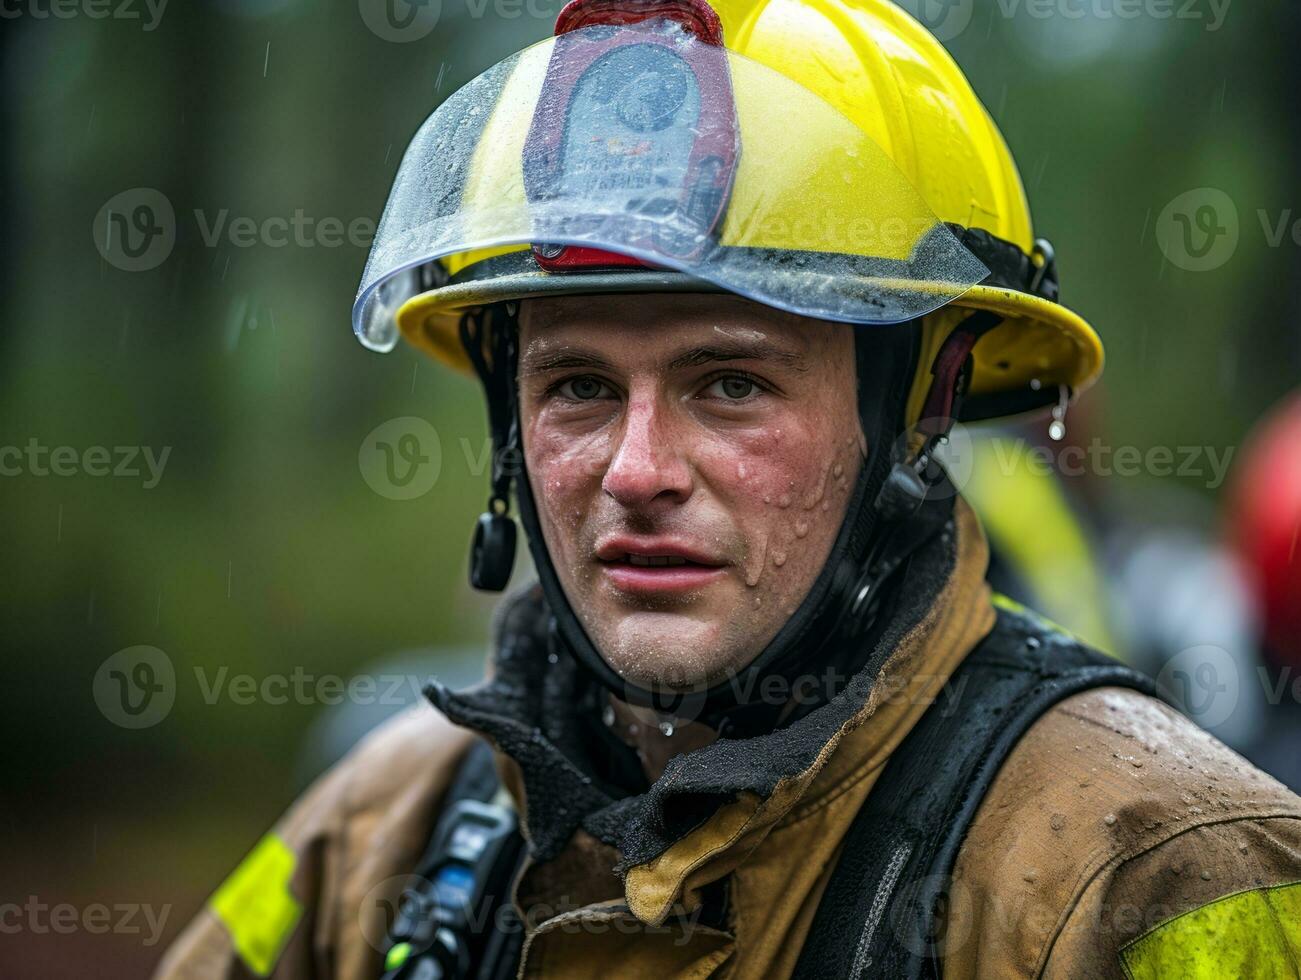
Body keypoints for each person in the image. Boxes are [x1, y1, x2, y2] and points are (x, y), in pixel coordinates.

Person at [156, 1, 1301, 977]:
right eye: (578, 388)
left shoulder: (1155, 867)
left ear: (922, 406)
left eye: (732, 383)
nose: (637, 470)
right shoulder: (375, 838)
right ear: (507, 419)